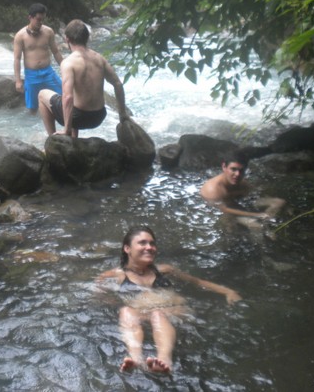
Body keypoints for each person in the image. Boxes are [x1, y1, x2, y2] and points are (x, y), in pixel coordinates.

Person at [97, 226, 241, 374]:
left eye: (152, 243)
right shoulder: (113, 275)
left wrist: (228, 291)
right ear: (127, 248)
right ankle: (135, 359)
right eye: (142, 243)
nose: (149, 247)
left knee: (157, 314)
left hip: (175, 313)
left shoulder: (165, 270)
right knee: (126, 311)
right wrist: (107, 297)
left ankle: (164, 360)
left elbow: (197, 282)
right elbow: (100, 297)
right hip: (144, 316)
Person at [38, 19, 129, 138]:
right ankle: (74, 137)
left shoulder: (68, 62)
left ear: (67, 39)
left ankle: (53, 139)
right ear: (87, 38)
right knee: (75, 94)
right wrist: (122, 115)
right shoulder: (99, 58)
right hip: (99, 116)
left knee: (42, 94)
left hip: (79, 118)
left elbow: (68, 97)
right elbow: (118, 84)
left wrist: (66, 129)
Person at [200, 150, 286, 221]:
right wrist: (257, 215)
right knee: (256, 225)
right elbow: (224, 209)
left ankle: (267, 221)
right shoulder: (213, 189)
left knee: (279, 202)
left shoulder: (242, 182)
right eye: (233, 169)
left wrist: (266, 213)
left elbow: (251, 195)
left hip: (237, 204)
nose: (237, 174)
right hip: (226, 212)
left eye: (241, 170)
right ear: (224, 167)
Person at [13, 3, 64, 112]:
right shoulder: (20, 36)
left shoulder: (48, 32)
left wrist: (65, 68)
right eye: (38, 19)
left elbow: (56, 52)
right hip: (31, 75)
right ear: (30, 17)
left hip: (48, 72)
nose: (40, 22)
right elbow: (17, 59)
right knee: (33, 108)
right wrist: (18, 80)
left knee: (64, 96)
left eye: (42, 20)